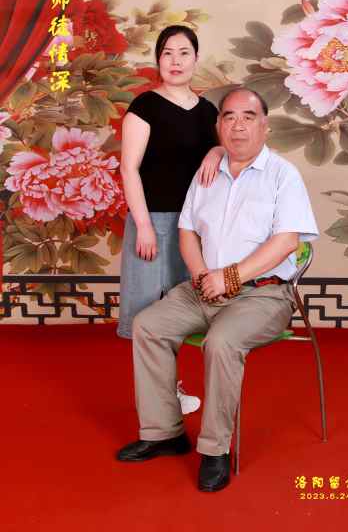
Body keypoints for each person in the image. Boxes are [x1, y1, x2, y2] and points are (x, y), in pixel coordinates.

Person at [117, 88, 319, 493]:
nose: (238, 125)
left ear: (265, 126)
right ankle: (164, 432)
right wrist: (200, 275)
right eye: (229, 117)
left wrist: (230, 278)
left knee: (222, 342)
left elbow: (286, 242)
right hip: (204, 288)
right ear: (218, 126)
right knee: (148, 325)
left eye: (248, 117)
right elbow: (187, 231)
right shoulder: (206, 174)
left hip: (262, 294)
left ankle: (215, 449)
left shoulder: (283, 175)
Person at [118, 25, 224, 414]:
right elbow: (129, 169)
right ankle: (159, 402)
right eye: (167, 53)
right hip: (154, 222)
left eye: (183, 53)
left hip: (194, 228)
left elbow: (228, 152)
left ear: (196, 59)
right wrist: (144, 226)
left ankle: (169, 392)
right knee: (149, 313)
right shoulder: (144, 106)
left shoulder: (208, 111)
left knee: (181, 311)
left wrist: (215, 152)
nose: (175, 61)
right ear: (158, 60)